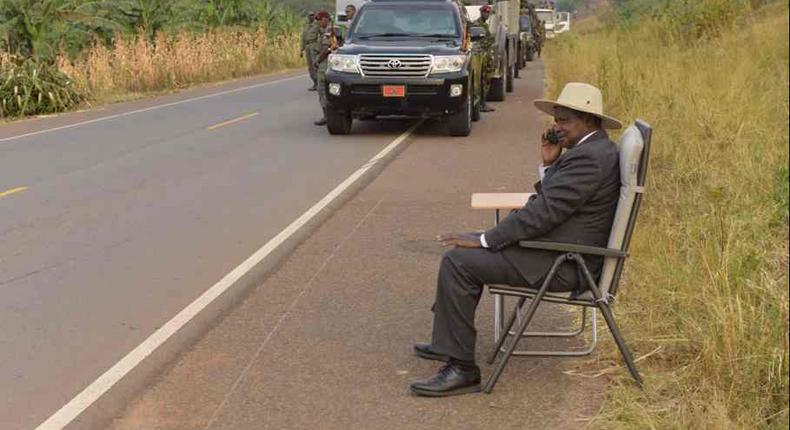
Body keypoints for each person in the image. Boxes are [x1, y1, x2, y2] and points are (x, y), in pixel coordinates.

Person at [409, 82, 624, 397]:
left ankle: (463, 369)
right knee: (464, 250)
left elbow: (543, 215)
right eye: (556, 119)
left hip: (564, 262)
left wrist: (486, 239)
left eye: (564, 119)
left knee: (458, 261)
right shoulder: (592, 150)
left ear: (588, 120)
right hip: (558, 251)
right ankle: (448, 343)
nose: (556, 126)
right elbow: (553, 204)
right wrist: (549, 163)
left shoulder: (590, 158)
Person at [312, 11, 335, 126]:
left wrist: (317, 61)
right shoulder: (330, 30)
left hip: (325, 63)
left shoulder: (328, 31)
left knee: (322, 90)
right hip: (329, 63)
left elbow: (326, 49)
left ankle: (327, 116)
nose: (319, 22)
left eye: (320, 20)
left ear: (326, 19)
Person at [473, 5, 496, 113]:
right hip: (480, 57)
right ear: (481, 12)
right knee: (481, 81)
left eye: (488, 13)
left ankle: (483, 102)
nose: (486, 14)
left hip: (486, 58)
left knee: (486, 80)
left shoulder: (485, 26)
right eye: (485, 12)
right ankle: (481, 103)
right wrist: (490, 41)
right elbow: (478, 42)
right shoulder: (476, 25)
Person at [301, 12, 320, 91]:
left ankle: (319, 83)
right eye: (310, 15)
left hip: (314, 45)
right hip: (307, 46)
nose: (311, 17)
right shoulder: (306, 26)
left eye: (312, 15)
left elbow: (322, 34)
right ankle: (315, 82)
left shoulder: (317, 25)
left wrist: (319, 46)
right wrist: (301, 49)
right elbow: (303, 38)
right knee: (310, 66)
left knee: (315, 64)